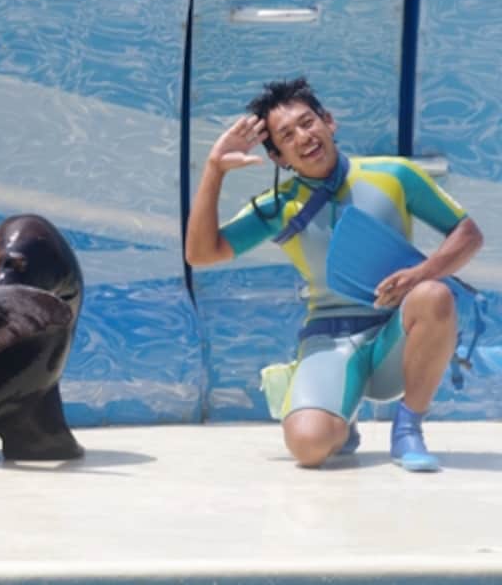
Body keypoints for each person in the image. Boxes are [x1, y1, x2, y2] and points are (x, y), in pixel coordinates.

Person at [185, 77, 483, 471]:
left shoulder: (394, 174)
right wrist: (214, 170)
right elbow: (201, 254)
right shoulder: (279, 206)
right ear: (279, 158)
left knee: (433, 294)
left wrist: (420, 273)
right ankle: (339, 416)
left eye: (307, 122)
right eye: (287, 135)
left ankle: (408, 428)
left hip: (397, 335)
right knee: (310, 448)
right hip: (331, 339)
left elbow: (467, 233)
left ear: (328, 121)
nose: (303, 137)